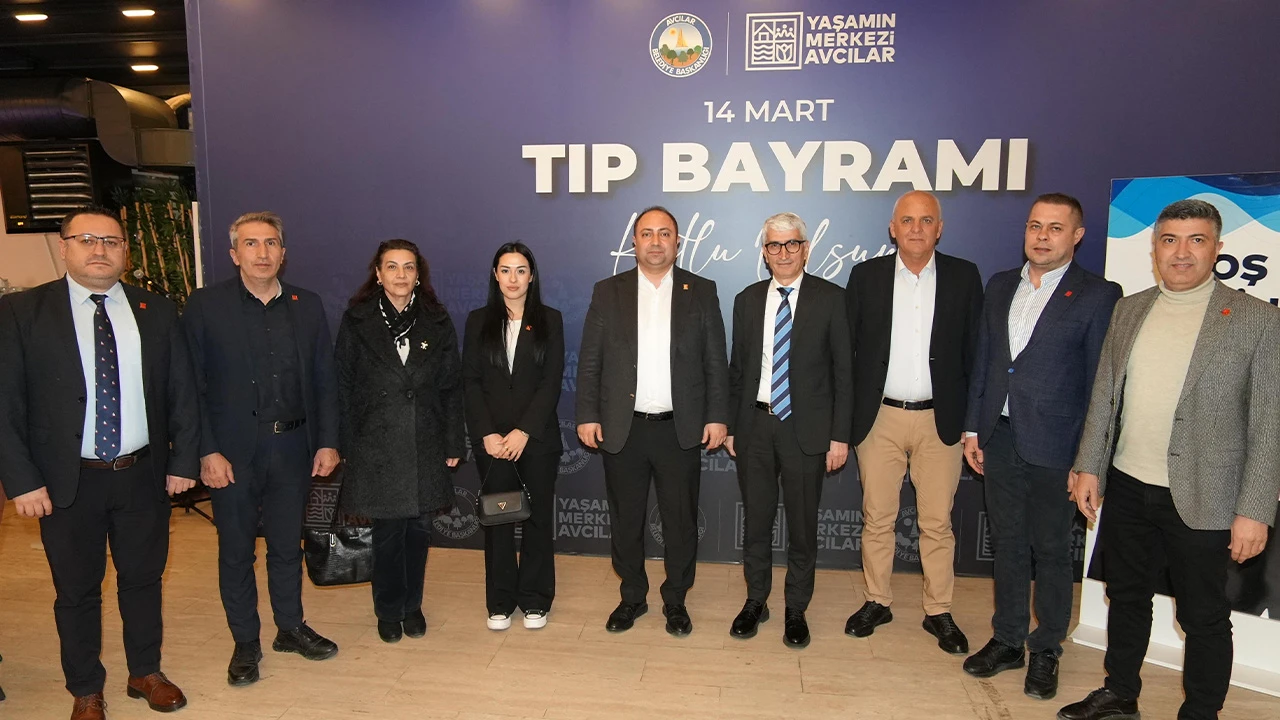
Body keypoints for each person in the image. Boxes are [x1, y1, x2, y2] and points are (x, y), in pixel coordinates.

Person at [1058, 199, 1280, 720]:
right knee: (1126, 596)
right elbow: (1105, 393)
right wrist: (1089, 465)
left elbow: (1269, 424)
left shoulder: (1258, 320)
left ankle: (1201, 712)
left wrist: (1254, 510)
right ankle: (1120, 693)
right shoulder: (1129, 309)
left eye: (1196, 240)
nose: (1181, 253)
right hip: (1128, 485)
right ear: (1154, 248)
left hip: (1207, 495)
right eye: (1170, 240)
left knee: (1203, 615)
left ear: (1217, 248)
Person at [0, 206, 200, 720]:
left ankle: (145, 672)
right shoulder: (22, 312)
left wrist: (183, 460)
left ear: (125, 251)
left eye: (111, 241)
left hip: (142, 476)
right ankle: (86, 688)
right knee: (76, 591)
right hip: (65, 484)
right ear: (64, 246)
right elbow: (5, 403)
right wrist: (21, 481)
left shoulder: (156, 310)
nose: (99, 250)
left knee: (143, 580)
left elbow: (181, 393)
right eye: (87, 239)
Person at [961, 193, 1121, 699]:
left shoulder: (1098, 294)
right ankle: (1008, 639)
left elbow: (1100, 383)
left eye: (1055, 228)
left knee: (1051, 550)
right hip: (999, 436)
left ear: (1077, 236)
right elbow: (987, 360)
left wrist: (1088, 459)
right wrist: (973, 428)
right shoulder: (1000, 284)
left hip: (1058, 444)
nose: (1042, 236)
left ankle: (1047, 647)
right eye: (1035, 226)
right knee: (1007, 543)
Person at [182, 211, 341, 687]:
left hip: (293, 447)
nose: (262, 252)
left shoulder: (307, 305)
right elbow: (191, 385)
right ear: (234, 254)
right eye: (251, 244)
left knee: (287, 547)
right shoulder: (206, 306)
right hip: (230, 455)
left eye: (271, 243)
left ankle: (290, 628)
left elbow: (324, 379)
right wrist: (206, 450)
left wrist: (328, 440)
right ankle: (245, 642)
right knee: (236, 552)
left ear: (283, 253)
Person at [576, 205, 730, 636]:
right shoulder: (608, 292)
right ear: (634, 242)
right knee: (626, 520)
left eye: (665, 234)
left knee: (680, 522)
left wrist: (718, 416)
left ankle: (676, 600)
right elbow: (590, 361)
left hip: (680, 428)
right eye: (647, 233)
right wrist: (587, 414)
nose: (656, 242)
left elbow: (716, 360)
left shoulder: (701, 291)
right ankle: (632, 597)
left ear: (677, 242)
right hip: (623, 428)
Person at [843, 190, 983, 655]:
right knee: (877, 518)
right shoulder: (865, 277)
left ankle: (938, 610)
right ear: (893, 228)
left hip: (940, 420)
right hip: (879, 418)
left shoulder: (964, 276)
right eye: (907, 220)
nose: (916, 229)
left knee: (937, 522)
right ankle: (876, 601)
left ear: (939, 228)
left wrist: (972, 423)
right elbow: (848, 351)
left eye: (926, 220)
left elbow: (976, 354)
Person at [725, 212, 852, 648]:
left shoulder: (831, 299)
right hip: (755, 426)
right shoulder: (746, 300)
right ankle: (755, 601)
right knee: (756, 522)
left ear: (806, 248)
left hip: (807, 429)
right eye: (774, 245)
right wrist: (731, 427)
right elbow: (738, 370)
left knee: (802, 525)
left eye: (792, 244)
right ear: (764, 252)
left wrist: (840, 435)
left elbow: (844, 373)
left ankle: (796, 607)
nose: (783, 253)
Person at [335, 239, 465, 643]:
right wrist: (345, 445)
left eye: (409, 267)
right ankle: (389, 610)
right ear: (378, 274)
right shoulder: (356, 320)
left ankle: (413, 606)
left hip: (425, 440)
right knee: (388, 534)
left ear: (418, 274)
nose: (401, 275)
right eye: (392, 266)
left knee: (419, 532)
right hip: (376, 444)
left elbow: (451, 387)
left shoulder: (437, 320)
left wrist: (453, 443)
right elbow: (342, 386)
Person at [462, 242, 564, 631]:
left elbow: (551, 383)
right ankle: (500, 602)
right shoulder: (478, 321)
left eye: (521, 270)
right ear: (495, 275)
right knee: (498, 519)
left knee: (537, 521)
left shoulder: (550, 320)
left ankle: (536, 600)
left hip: (536, 440)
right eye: (505, 270)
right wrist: (486, 433)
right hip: (492, 443)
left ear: (531, 276)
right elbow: (471, 382)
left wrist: (524, 431)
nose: (513, 279)